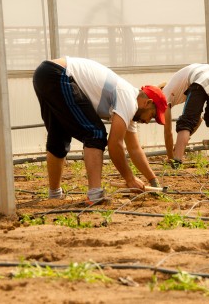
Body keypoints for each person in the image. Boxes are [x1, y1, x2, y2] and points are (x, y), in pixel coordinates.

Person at [32, 56, 168, 204]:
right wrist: (129, 178)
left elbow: (134, 149)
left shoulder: (129, 105)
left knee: (59, 135)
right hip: (59, 74)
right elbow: (115, 144)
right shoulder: (128, 100)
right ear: (148, 103)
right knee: (95, 133)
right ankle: (95, 194)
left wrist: (153, 181)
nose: (148, 121)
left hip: (44, 74)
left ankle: (54, 194)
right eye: (153, 115)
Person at [159, 63, 209, 168]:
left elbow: (168, 133)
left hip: (201, 79)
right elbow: (198, 119)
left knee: (185, 122)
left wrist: (170, 157)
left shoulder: (163, 97)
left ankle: (176, 162)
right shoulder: (175, 89)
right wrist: (184, 139)